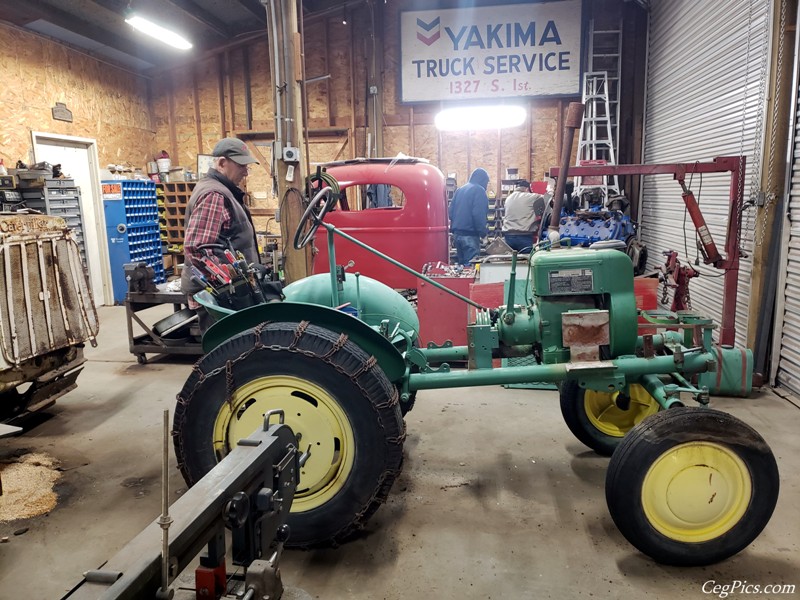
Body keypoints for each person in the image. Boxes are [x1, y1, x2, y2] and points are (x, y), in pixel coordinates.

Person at [181, 137, 260, 333]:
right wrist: (229, 286)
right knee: (226, 354)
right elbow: (198, 248)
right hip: (221, 297)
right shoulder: (214, 195)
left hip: (227, 294)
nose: (246, 171)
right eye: (241, 165)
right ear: (222, 162)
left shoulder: (223, 191)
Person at [448, 167, 490, 265]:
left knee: (462, 269)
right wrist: (483, 234)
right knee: (471, 268)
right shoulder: (479, 190)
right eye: (486, 183)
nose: (486, 187)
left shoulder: (460, 190)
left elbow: (450, 212)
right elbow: (478, 215)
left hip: (457, 235)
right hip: (470, 235)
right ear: (482, 180)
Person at [502, 179, 547, 253]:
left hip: (508, 237)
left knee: (511, 261)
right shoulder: (531, 196)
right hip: (524, 237)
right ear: (527, 189)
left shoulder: (508, 198)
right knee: (526, 261)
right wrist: (551, 191)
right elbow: (547, 199)